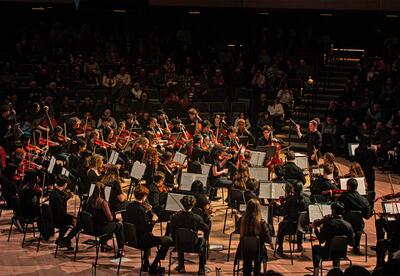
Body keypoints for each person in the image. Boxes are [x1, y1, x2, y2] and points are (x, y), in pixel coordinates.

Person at [125, 185, 172, 274]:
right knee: (168, 240)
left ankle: (145, 264)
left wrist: (148, 211)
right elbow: (147, 228)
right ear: (145, 196)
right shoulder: (141, 211)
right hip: (141, 241)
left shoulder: (129, 206)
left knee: (149, 235)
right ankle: (154, 266)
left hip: (131, 239)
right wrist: (153, 221)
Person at [168, 195, 210, 275]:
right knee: (203, 240)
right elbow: (206, 229)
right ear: (193, 205)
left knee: (181, 237)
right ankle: (201, 268)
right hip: (194, 245)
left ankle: (181, 266)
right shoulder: (196, 218)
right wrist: (207, 218)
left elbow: (172, 229)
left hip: (178, 245)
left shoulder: (175, 216)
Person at [311, 202, 354, 276]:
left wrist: (315, 229)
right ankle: (335, 269)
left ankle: (316, 273)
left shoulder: (329, 224)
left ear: (333, 211)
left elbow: (321, 240)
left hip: (327, 253)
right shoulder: (348, 225)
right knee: (336, 249)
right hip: (342, 253)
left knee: (315, 248)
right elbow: (351, 243)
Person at [236, 199, 273, 276]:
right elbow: (268, 239)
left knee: (247, 258)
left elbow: (240, 233)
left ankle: (246, 273)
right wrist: (271, 243)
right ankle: (257, 273)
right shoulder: (262, 222)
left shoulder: (242, 220)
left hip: (243, 250)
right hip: (258, 252)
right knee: (259, 251)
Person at [85, 182, 125, 255]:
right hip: (100, 228)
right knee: (119, 226)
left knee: (111, 225)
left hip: (91, 226)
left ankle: (104, 244)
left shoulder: (90, 199)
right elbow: (110, 218)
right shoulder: (103, 202)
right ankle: (120, 249)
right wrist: (115, 216)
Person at [338, 178, 372, 254]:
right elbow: (367, 215)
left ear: (348, 187)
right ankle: (356, 246)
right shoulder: (363, 199)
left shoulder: (343, 197)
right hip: (358, 225)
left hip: (345, 225)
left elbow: (338, 210)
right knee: (360, 225)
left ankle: (343, 246)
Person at [276, 182, 310, 254]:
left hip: (291, 227)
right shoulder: (307, 200)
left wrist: (281, 204)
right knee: (299, 221)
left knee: (281, 225)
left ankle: (280, 247)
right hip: (302, 227)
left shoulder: (290, 201)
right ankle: (299, 245)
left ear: (294, 189)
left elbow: (283, 213)